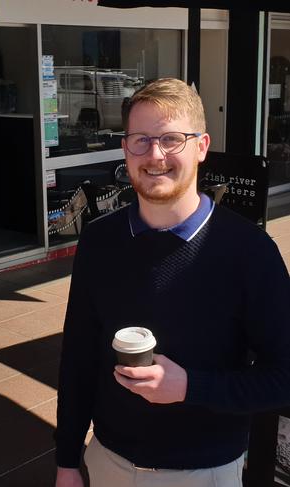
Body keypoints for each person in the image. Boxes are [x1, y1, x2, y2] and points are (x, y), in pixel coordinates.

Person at [54, 78, 290, 487]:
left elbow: (283, 378)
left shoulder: (249, 251)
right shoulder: (99, 240)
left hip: (205, 471)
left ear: (201, 147)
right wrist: (68, 459)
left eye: (172, 140)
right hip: (107, 460)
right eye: (140, 140)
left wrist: (190, 386)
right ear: (125, 148)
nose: (155, 155)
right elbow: (78, 357)